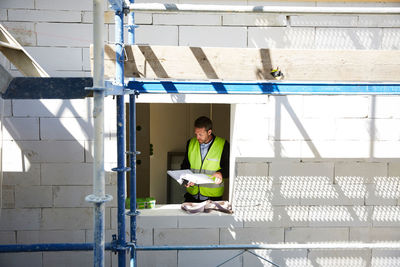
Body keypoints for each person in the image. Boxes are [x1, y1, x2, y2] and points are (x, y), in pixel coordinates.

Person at [181, 116, 230, 202]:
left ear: (209, 132)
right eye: (196, 134)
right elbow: (185, 166)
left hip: (213, 198)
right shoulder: (190, 143)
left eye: (200, 134)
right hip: (191, 196)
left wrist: (221, 173)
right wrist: (185, 179)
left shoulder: (223, 145)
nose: (197, 137)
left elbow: (229, 167)